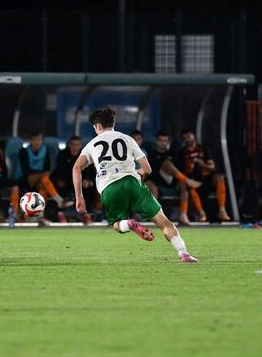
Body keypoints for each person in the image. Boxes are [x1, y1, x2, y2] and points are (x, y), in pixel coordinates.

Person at [72, 107, 198, 263]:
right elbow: (148, 169)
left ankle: (129, 223)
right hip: (133, 183)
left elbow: (76, 168)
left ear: (97, 126)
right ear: (113, 123)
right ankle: (184, 254)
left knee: (117, 224)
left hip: (109, 187)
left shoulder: (91, 144)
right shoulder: (128, 139)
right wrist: (136, 173)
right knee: (164, 222)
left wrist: (79, 197)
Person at [178, 129, 230, 223]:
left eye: (189, 136)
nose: (187, 139)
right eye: (184, 138)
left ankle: (222, 210)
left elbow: (212, 167)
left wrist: (203, 164)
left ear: (194, 136)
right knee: (190, 187)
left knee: (220, 177)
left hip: (207, 177)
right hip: (193, 179)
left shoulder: (203, 149)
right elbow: (181, 171)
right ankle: (202, 214)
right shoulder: (182, 152)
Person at [18, 131, 73, 211]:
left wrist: (44, 173)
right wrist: (42, 173)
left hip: (41, 178)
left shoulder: (45, 150)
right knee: (44, 177)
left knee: (42, 185)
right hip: (25, 178)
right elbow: (26, 170)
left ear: (42, 141)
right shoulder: (23, 151)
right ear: (30, 141)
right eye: (34, 140)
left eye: (39, 140)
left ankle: (40, 213)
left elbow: (47, 167)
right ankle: (59, 200)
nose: (37, 142)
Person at [144, 132, 201, 202]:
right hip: (157, 180)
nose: (163, 143)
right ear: (156, 141)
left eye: (165, 141)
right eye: (160, 140)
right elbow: (149, 172)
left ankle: (184, 210)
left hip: (172, 180)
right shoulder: (151, 155)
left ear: (168, 142)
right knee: (166, 163)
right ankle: (187, 181)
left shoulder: (173, 154)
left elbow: (180, 169)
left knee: (184, 185)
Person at [51, 135, 95, 223]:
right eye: (72, 145)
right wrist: (60, 180)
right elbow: (58, 171)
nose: (75, 147)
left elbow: (91, 172)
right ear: (68, 145)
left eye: (77, 145)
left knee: (90, 187)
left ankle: (88, 213)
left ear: (80, 146)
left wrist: (88, 181)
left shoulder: (85, 156)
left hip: (81, 182)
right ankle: (60, 213)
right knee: (57, 185)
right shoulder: (62, 154)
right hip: (66, 182)